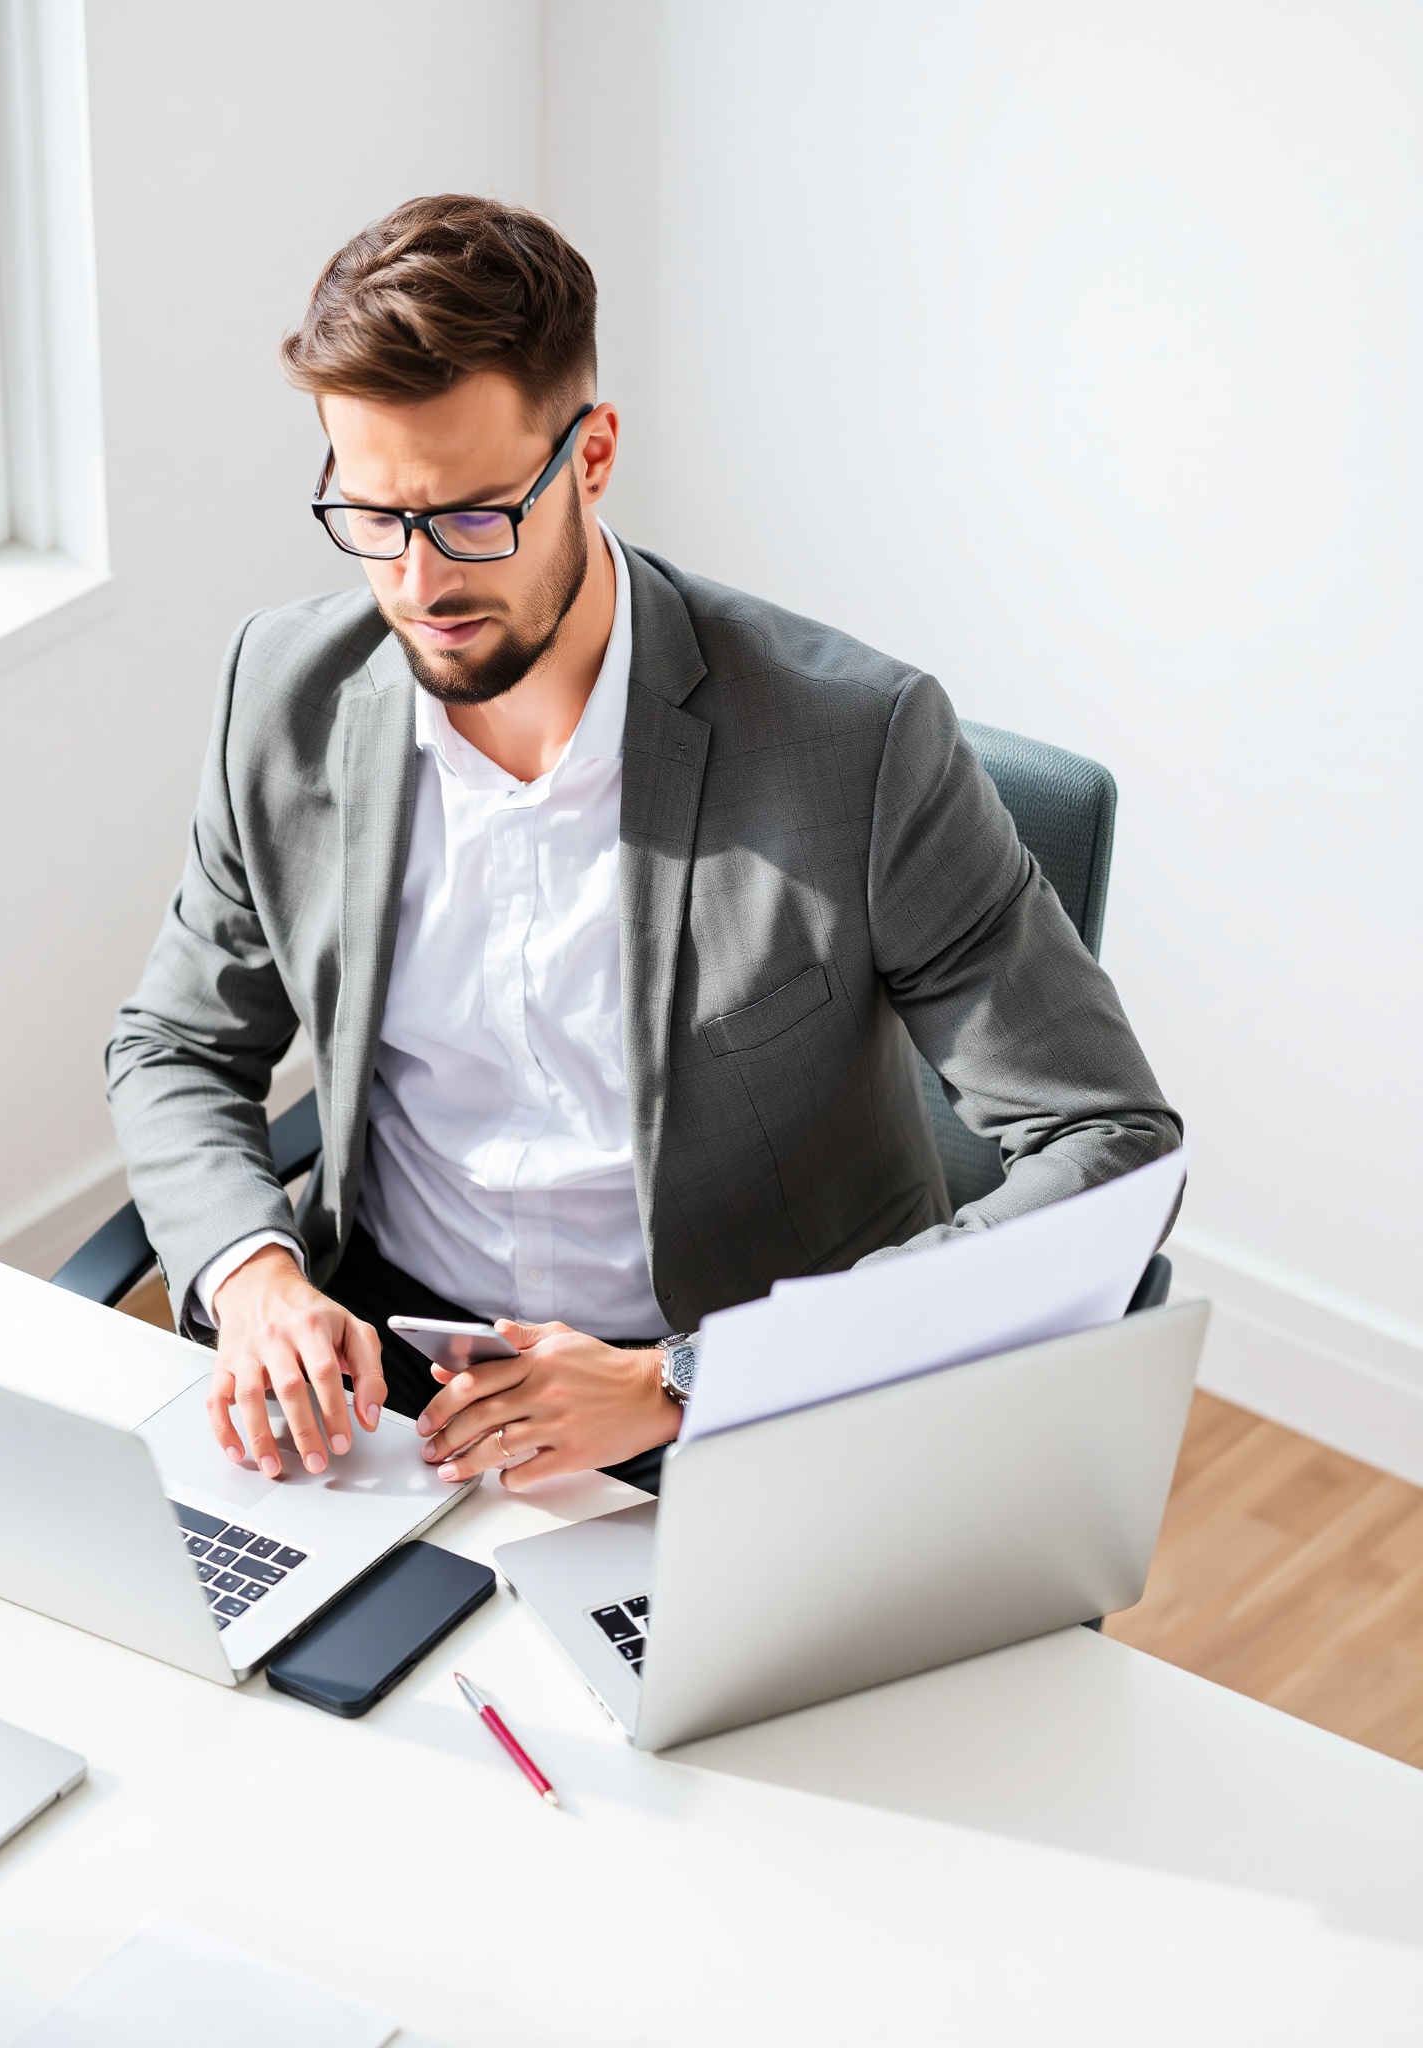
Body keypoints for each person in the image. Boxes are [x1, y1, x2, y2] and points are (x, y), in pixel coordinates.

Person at [106, 193, 1180, 1496]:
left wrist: (685, 1381)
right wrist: (255, 1275)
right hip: (385, 1390)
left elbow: (1111, 1139)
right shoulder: (287, 692)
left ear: (594, 454)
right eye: (375, 518)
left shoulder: (860, 745)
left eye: (472, 517)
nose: (420, 584)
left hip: (734, 1409)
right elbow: (174, 1045)